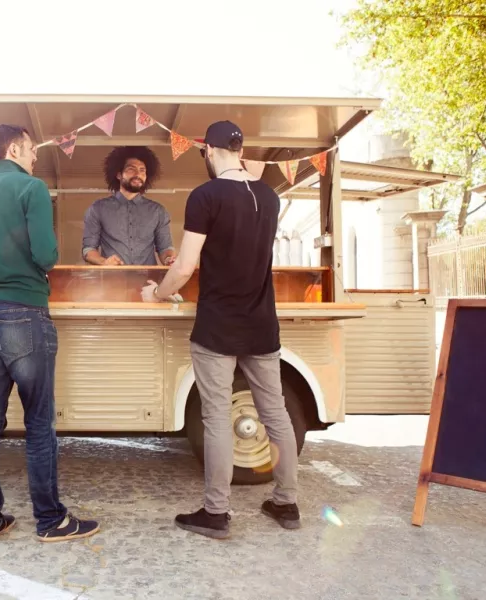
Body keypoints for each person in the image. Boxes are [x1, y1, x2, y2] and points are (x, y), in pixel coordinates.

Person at [140, 120, 300, 538]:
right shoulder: (268, 196)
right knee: (276, 414)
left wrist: (157, 294)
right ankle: (287, 504)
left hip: (217, 325)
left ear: (208, 152)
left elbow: (185, 266)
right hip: (262, 322)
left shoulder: (205, 196)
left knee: (216, 417)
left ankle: (216, 513)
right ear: (240, 149)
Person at [0, 124, 100, 544]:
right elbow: (46, 255)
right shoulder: (31, 189)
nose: (36, 156)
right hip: (25, 313)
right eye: (32, 148)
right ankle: (51, 520)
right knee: (38, 423)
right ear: (15, 148)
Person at [81, 146, 176, 266]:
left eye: (142, 170)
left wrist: (169, 260)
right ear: (119, 174)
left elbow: (165, 248)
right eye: (131, 169)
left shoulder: (158, 211)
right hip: (112, 281)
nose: (138, 174)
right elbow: (88, 249)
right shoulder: (97, 209)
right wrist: (104, 262)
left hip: (149, 282)